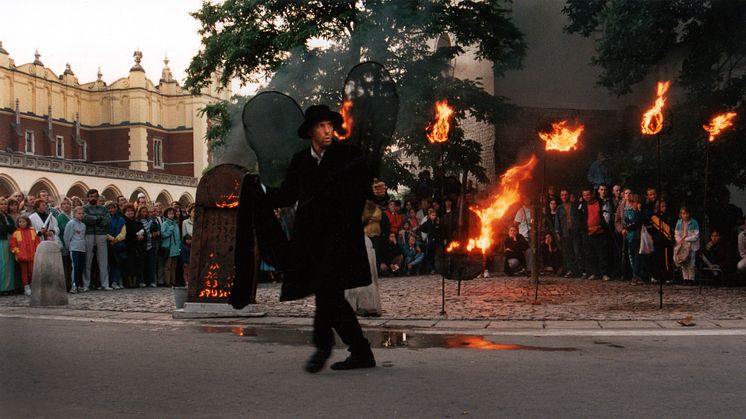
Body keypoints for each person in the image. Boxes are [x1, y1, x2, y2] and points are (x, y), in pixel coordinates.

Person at [245, 104, 387, 373]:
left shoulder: (348, 156)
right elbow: (287, 195)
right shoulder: (301, 161)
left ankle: (327, 348)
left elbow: (370, 188)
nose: (328, 131)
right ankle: (358, 350)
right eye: (322, 126)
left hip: (342, 239)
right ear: (311, 130)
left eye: (331, 126)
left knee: (327, 293)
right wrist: (260, 190)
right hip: (312, 242)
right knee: (328, 294)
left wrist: (380, 193)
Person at [83, 189, 112, 291]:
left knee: (103, 260)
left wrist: (95, 220)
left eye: (95, 196)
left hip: (101, 235)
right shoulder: (84, 208)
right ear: (88, 197)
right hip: (89, 234)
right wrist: (98, 219)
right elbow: (85, 218)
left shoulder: (103, 209)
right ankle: (86, 284)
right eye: (91, 196)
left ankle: (105, 284)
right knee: (88, 260)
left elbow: (107, 219)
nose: (93, 198)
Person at [578, 188, 610, 281]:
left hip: (599, 233)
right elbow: (580, 219)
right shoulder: (582, 205)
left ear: (592, 194)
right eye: (584, 195)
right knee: (589, 254)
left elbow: (605, 217)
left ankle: (604, 273)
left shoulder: (600, 203)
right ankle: (593, 273)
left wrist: (599, 227)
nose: (586, 197)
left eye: (588, 194)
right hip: (587, 233)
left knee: (601, 253)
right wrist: (585, 229)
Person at [10, 215, 40, 296]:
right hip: (22, 257)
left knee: (32, 271)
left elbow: (37, 242)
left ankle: (33, 286)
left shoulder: (32, 232)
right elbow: (13, 244)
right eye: (20, 222)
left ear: (27, 222)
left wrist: (37, 251)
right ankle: (26, 288)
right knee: (24, 272)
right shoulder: (16, 233)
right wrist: (17, 252)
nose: (21, 223)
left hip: (32, 256)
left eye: (23, 222)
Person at [555, 189, 581, 277]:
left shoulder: (575, 206)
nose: (564, 196)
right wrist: (557, 232)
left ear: (568, 195)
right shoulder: (559, 208)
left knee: (577, 251)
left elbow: (579, 218)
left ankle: (578, 271)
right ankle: (570, 270)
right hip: (565, 233)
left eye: (566, 195)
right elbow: (557, 221)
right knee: (567, 253)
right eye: (562, 195)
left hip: (575, 232)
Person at [64, 207, 87, 293]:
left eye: (82, 213)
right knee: (75, 266)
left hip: (82, 248)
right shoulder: (71, 223)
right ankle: (74, 285)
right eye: (79, 213)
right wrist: (68, 247)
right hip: (74, 248)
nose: (81, 215)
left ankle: (79, 285)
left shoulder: (83, 225)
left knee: (80, 267)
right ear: (74, 214)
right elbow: (67, 236)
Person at [674, 206, 700, 283]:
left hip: (691, 245)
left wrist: (686, 239)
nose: (684, 215)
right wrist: (679, 241)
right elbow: (677, 233)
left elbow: (696, 235)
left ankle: (691, 278)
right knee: (683, 261)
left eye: (686, 213)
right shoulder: (679, 222)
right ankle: (685, 278)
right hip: (682, 245)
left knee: (691, 262)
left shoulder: (694, 222)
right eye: (683, 213)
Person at [122, 204, 146, 288]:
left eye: (131, 210)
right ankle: (129, 282)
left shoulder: (138, 223)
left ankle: (136, 282)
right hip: (128, 246)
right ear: (124, 212)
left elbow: (144, 232)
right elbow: (126, 235)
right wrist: (136, 237)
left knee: (137, 265)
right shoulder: (123, 222)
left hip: (138, 247)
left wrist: (142, 237)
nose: (130, 212)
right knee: (129, 265)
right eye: (128, 211)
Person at [623, 194, 644, 284]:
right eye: (633, 202)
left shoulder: (641, 213)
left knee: (638, 257)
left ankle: (637, 275)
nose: (635, 204)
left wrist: (639, 212)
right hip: (631, 237)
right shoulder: (627, 212)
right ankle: (635, 275)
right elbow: (628, 224)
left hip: (640, 237)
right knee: (633, 257)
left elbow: (641, 221)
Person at [105, 201, 127, 289]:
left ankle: (116, 281)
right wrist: (111, 238)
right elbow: (103, 231)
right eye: (109, 208)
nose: (111, 210)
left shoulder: (121, 219)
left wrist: (116, 239)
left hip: (118, 244)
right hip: (107, 244)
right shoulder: (104, 219)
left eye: (112, 208)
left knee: (117, 263)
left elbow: (123, 232)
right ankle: (108, 282)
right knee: (108, 264)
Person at [159, 207, 182, 287]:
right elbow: (163, 235)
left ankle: (173, 281)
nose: (171, 215)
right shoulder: (165, 224)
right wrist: (170, 230)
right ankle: (167, 282)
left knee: (174, 266)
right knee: (168, 266)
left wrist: (179, 246)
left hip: (175, 247)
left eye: (172, 213)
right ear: (166, 215)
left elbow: (178, 236)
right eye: (170, 213)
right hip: (168, 247)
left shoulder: (176, 223)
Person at [0, 197, 18, 294]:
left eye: (5, 204)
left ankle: (8, 287)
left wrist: (8, 228)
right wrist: (9, 228)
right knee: (3, 264)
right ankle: (2, 288)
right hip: (2, 240)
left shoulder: (8, 216)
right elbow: (2, 228)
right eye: (1, 204)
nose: (4, 206)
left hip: (9, 240)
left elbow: (13, 227)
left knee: (9, 264)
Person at [138, 206, 158, 288]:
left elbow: (155, 230)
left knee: (151, 264)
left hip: (151, 244)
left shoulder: (151, 221)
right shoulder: (137, 221)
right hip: (142, 245)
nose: (144, 213)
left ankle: (151, 281)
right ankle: (142, 281)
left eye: (146, 211)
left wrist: (155, 233)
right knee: (142, 264)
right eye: (143, 211)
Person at [57, 198, 73, 290]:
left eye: (68, 204)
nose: (66, 205)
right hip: (65, 243)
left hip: (74, 243)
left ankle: (71, 282)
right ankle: (66, 284)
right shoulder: (61, 217)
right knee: (66, 265)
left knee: (71, 265)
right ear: (61, 206)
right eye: (64, 204)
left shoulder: (72, 216)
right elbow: (64, 229)